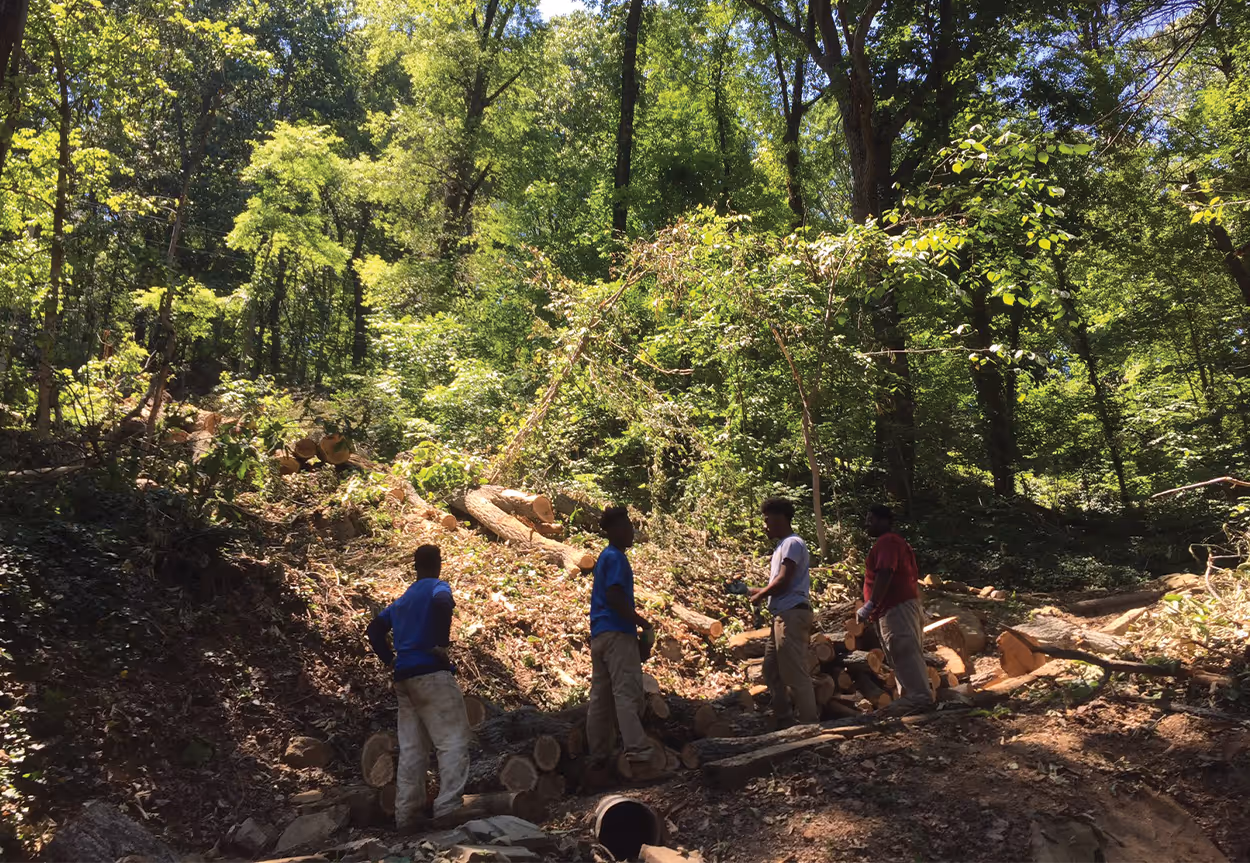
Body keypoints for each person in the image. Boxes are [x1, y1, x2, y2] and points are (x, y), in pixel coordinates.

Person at [366, 544, 471, 828]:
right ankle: (448, 809)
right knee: (452, 741)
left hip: (405, 678)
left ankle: (406, 815)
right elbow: (443, 602)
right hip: (432, 675)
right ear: (438, 564)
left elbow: (374, 630)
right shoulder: (438, 587)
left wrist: (390, 660)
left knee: (413, 748)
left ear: (415, 567)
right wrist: (441, 643)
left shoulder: (402, 601)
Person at [586, 505, 657, 772]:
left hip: (600, 634)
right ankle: (640, 756)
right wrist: (642, 623)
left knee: (601, 697)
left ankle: (598, 756)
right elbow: (615, 595)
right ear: (614, 530)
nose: (631, 532)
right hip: (617, 633)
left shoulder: (605, 557)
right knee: (627, 694)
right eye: (627, 527)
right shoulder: (615, 557)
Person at [858, 504, 932, 715]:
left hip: (895, 607)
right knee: (898, 653)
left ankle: (919, 698)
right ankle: (910, 699)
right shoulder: (892, 543)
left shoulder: (888, 542)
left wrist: (871, 604)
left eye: (871, 520)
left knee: (903, 650)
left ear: (884, 521)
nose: (867, 524)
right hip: (894, 607)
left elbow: (885, 572)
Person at [751, 496, 818, 726]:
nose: (765, 525)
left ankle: (810, 725)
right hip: (782, 614)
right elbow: (778, 584)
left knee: (795, 672)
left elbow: (783, 581)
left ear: (780, 518)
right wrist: (748, 590)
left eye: (767, 520)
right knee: (771, 669)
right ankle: (784, 720)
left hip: (791, 614)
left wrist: (760, 596)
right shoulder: (783, 546)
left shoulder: (792, 543)